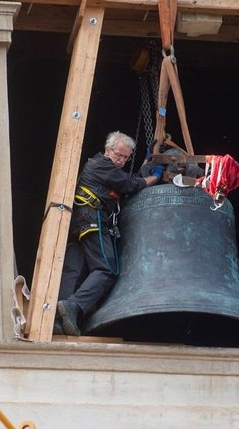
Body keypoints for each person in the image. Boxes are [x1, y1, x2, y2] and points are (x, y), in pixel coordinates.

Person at [56, 131, 164, 336]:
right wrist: (156, 177)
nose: (121, 161)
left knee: (76, 270)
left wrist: (148, 162)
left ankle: (58, 320)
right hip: (93, 220)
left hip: (82, 223)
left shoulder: (106, 170)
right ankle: (74, 306)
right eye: (118, 155)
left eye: (125, 157)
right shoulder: (102, 165)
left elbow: (126, 182)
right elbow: (131, 184)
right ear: (107, 150)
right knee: (106, 269)